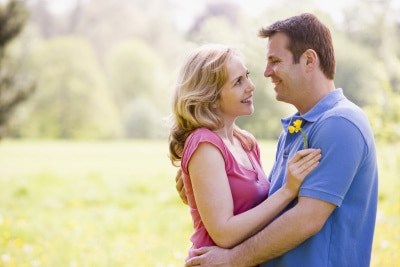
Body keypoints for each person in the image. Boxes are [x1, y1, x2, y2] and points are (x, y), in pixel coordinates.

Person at [183, 13, 379, 267]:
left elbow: (306, 219)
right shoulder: (295, 128)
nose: (266, 73)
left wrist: (233, 259)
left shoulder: (340, 123)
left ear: (309, 60)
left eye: (275, 61)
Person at [168, 44, 321, 263]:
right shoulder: (204, 145)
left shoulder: (246, 142)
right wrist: (287, 191)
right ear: (211, 95)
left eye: (247, 76)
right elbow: (225, 233)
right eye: (238, 82)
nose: (251, 86)